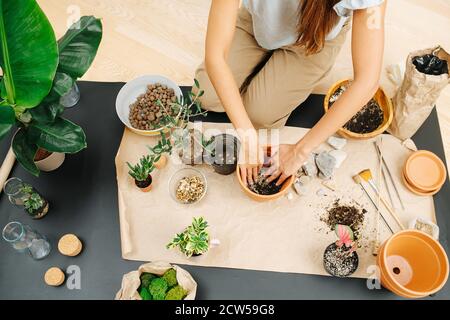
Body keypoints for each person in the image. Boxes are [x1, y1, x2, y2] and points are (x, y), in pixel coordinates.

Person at [195, 0, 386, 186]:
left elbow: (367, 81)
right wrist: (247, 137)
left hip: (314, 39)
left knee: (261, 116)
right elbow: (215, 56)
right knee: (205, 95)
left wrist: (300, 151)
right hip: (258, 23)